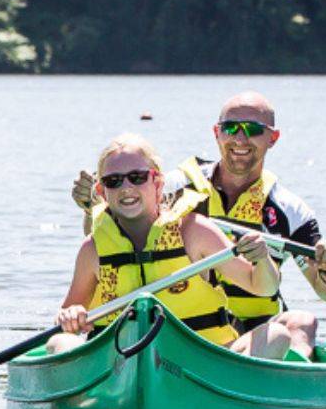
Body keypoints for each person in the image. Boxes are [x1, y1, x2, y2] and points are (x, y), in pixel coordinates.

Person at [71, 91, 326, 358]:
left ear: (272, 138)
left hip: (252, 328)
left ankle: (287, 384)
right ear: (217, 133)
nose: (240, 138)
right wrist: (91, 206)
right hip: (184, 325)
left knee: (302, 322)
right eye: (230, 128)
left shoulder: (290, 211)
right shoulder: (173, 186)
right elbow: (110, 242)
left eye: (253, 129)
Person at [52, 134, 292, 359]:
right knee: (59, 344)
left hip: (205, 360)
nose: (126, 187)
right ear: (101, 191)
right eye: (113, 181)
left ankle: (234, 396)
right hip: (122, 363)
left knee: (277, 335)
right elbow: (67, 321)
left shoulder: (194, 231)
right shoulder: (92, 249)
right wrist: (70, 316)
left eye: (137, 177)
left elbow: (264, 287)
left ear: (157, 182)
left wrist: (261, 258)